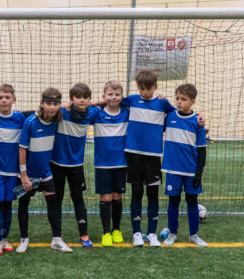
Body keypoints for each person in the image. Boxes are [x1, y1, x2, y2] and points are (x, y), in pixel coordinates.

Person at [120, 70, 176, 247]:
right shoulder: (131, 100)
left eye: (148, 88)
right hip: (134, 154)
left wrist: (199, 118)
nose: (145, 92)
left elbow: (178, 115)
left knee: (153, 194)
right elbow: (111, 101)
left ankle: (152, 234)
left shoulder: (162, 103)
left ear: (155, 87)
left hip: (153, 157)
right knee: (136, 193)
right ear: (138, 87)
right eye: (141, 88)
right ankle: (136, 233)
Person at [17, 87, 72, 253]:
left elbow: (79, 106)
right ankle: (24, 239)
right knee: (24, 204)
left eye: (56, 104)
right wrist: (24, 175)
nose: (52, 107)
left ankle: (57, 239)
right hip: (29, 173)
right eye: (49, 104)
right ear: (42, 103)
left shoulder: (57, 119)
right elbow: (22, 149)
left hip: (45, 172)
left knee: (53, 202)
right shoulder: (30, 122)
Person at [50, 83, 101, 248]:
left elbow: (106, 104)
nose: (82, 100)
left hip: (76, 166)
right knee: (56, 200)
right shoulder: (61, 112)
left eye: (85, 97)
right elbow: (45, 109)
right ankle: (57, 235)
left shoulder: (92, 112)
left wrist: (96, 103)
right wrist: (61, 105)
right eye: (78, 97)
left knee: (78, 199)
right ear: (71, 99)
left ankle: (84, 234)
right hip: (56, 164)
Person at [160, 83, 208, 247]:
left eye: (184, 99)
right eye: (177, 98)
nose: (179, 102)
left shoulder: (197, 122)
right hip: (172, 169)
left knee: (192, 202)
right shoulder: (170, 117)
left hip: (191, 170)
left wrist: (199, 173)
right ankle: (172, 233)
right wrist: (160, 100)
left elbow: (202, 150)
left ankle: (193, 235)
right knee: (173, 202)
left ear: (192, 101)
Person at [0, 84, 25, 256]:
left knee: (8, 204)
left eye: (7, 97)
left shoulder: (20, 118)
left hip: (13, 172)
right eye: (0, 98)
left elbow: (37, 115)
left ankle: (5, 238)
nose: (4, 100)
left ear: (13, 100)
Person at [93, 81, 128, 247]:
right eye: (110, 94)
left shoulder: (127, 113)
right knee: (105, 197)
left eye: (117, 94)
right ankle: (106, 232)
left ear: (122, 97)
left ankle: (116, 230)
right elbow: (80, 112)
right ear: (103, 96)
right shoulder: (97, 113)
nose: (113, 97)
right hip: (103, 164)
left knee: (117, 196)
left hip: (121, 163)